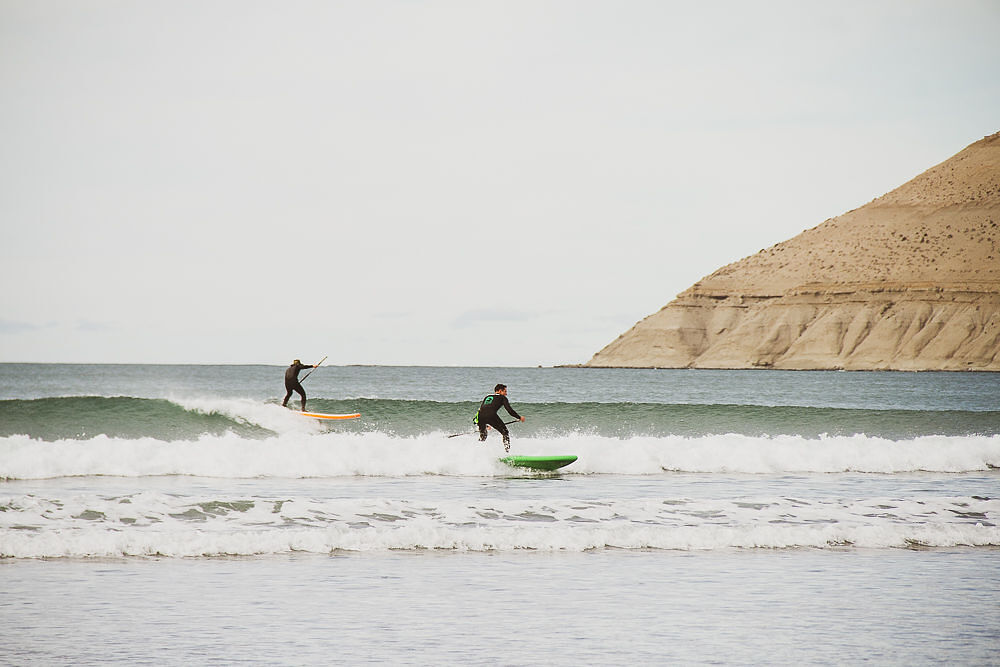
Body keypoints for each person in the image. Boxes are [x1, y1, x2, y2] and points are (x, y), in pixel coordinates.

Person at [474, 383, 525, 452]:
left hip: (480, 416)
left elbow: (481, 410)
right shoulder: (502, 398)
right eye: (505, 391)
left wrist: (484, 425)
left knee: (483, 435)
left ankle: (476, 450)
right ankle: (507, 452)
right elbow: (510, 410)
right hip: (491, 415)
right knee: (505, 432)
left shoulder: (487, 397)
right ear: (500, 391)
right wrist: (519, 417)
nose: (506, 394)